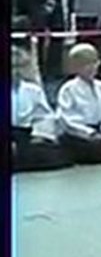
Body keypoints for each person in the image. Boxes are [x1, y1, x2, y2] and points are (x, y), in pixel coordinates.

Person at [11, 45, 73, 173]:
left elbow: (45, 116)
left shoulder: (33, 90)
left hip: (26, 135)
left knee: (57, 154)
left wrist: (39, 135)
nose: (15, 71)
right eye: (12, 67)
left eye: (19, 67)